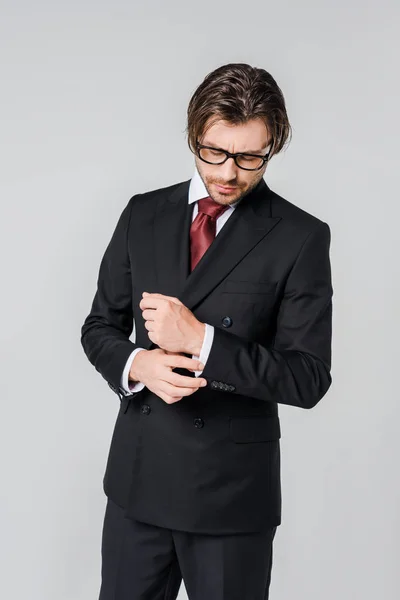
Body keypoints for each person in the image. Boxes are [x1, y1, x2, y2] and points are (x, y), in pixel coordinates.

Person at [81, 62, 333, 600]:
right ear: (194, 135)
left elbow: (308, 378)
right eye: (214, 152)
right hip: (139, 480)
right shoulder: (142, 215)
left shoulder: (300, 237)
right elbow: (99, 326)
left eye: (249, 157)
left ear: (274, 145)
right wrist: (137, 364)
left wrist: (203, 341)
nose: (228, 173)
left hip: (232, 496)